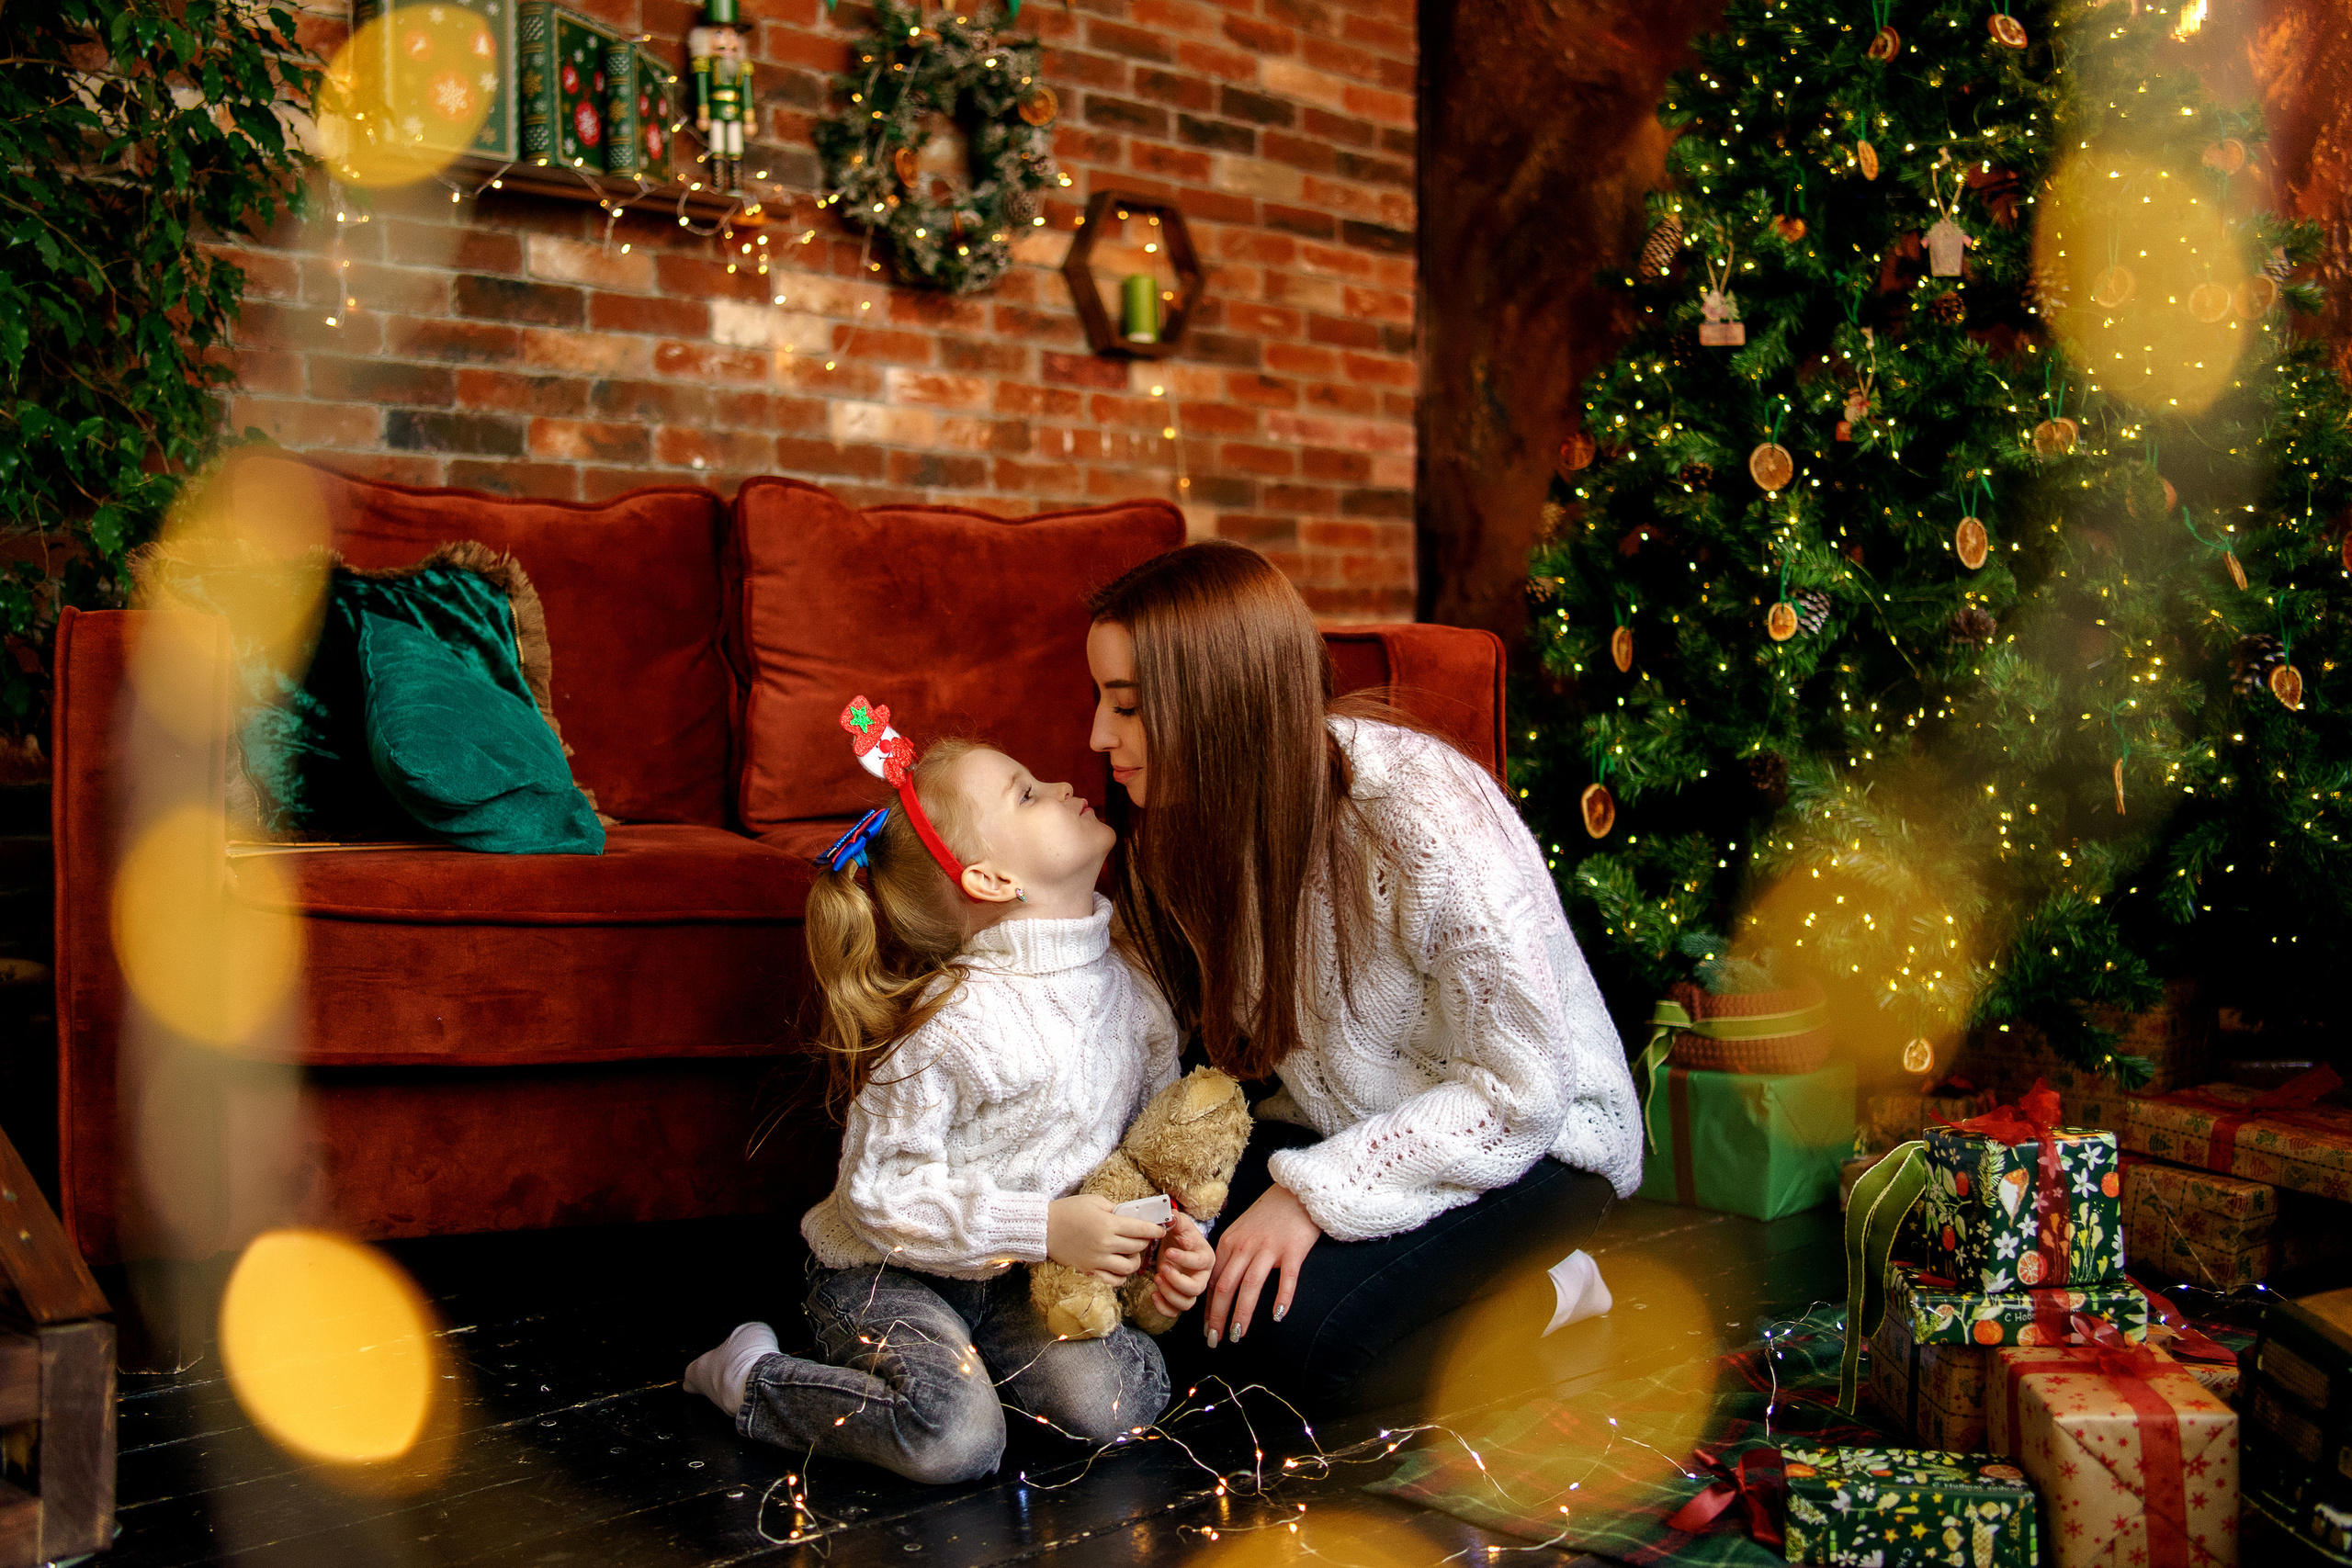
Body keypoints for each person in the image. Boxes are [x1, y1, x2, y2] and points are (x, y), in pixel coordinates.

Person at [1083, 543, 1643, 1411]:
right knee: (1186, 1308)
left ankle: (1556, 1289)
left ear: (1216, 697)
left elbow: (1525, 1086)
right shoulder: (1190, 815)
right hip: (1342, 1123)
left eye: (1125, 705)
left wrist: (1311, 1197)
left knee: (1305, 1365)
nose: (1098, 736)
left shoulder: (1414, 808)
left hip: (1540, 1136)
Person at [683, 699, 1216, 1482]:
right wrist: (1043, 1227)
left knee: (1118, 1404)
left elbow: (1144, 1154)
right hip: (887, 1273)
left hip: (1014, 1282)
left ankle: (978, 1371)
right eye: (1027, 793)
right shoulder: (956, 1022)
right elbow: (876, 1191)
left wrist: (1173, 1236)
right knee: (954, 1442)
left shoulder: (1133, 997)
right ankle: (749, 1377)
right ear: (990, 878)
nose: (1067, 781)